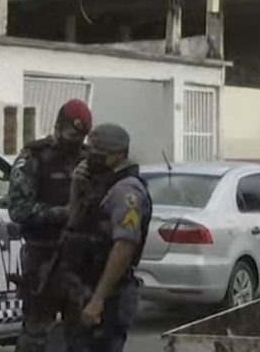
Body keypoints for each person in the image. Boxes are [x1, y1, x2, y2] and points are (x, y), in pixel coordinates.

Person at [7, 99, 93, 352]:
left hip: (77, 261)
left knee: (80, 336)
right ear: (57, 127)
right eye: (72, 136)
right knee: (37, 337)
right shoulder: (34, 157)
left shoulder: (88, 159)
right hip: (42, 259)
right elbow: (18, 209)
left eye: (81, 138)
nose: (75, 143)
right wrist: (62, 214)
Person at [62, 123, 153, 352]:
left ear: (117, 155)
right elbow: (75, 225)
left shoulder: (126, 191)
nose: (89, 158)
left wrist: (98, 299)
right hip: (86, 288)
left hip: (110, 297)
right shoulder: (101, 185)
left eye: (97, 153)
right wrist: (77, 190)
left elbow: (124, 247)